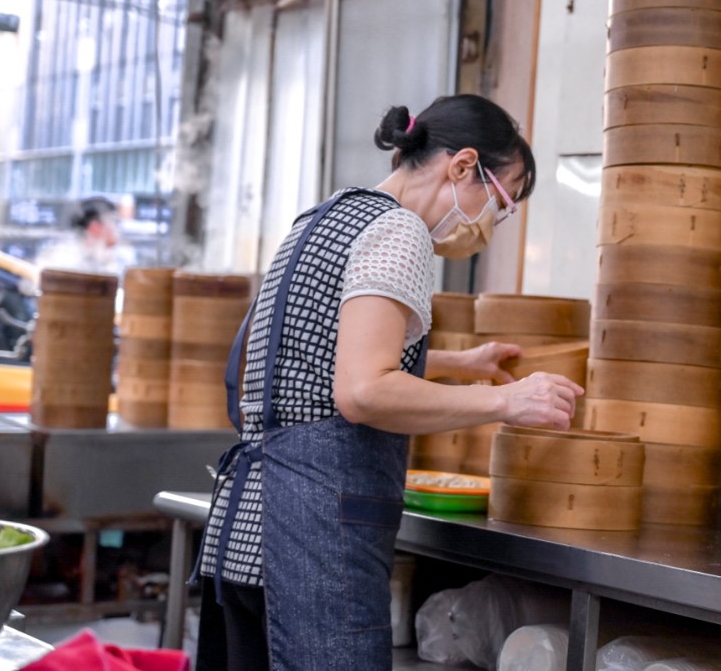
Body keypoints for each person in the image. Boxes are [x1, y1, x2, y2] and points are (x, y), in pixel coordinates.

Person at [194, 95, 582, 671]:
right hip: (313, 532)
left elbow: (320, 363)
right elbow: (364, 392)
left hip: (250, 532)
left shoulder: (328, 216)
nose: (490, 225)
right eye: (498, 202)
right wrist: (507, 398)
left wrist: (460, 362)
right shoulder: (399, 233)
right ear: (460, 166)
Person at [35, 195, 131, 275]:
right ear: (95, 227)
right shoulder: (62, 256)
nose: (118, 230)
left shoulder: (117, 259)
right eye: (115, 222)